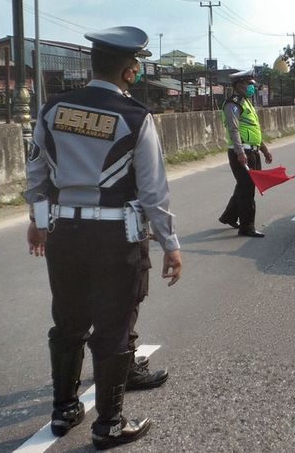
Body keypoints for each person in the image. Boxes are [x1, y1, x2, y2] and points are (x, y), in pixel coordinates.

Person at [25, 26, 182, 450]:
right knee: (112, 329)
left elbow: (36, 174)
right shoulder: (135, 117)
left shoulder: (52, 108)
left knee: (69, 322)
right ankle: (109, 425)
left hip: (63, 233)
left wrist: (38, 220)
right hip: (115, 237)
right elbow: (153, 191)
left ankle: (64, 410)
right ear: (129, 71)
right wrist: (170, 244)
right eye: (138, 66)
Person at [218, 69, 273, 237]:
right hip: (242, 153)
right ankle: (247, 227)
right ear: (240, 85)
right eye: (250, 84)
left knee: (244, 186)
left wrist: (264, 150)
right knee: (247, 190)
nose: (252, 88)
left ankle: (229, 216)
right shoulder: (232, 104)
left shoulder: (246, 102)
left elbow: (253, 129)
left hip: (253, 151)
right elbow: (234, 130)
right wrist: (240, 152)